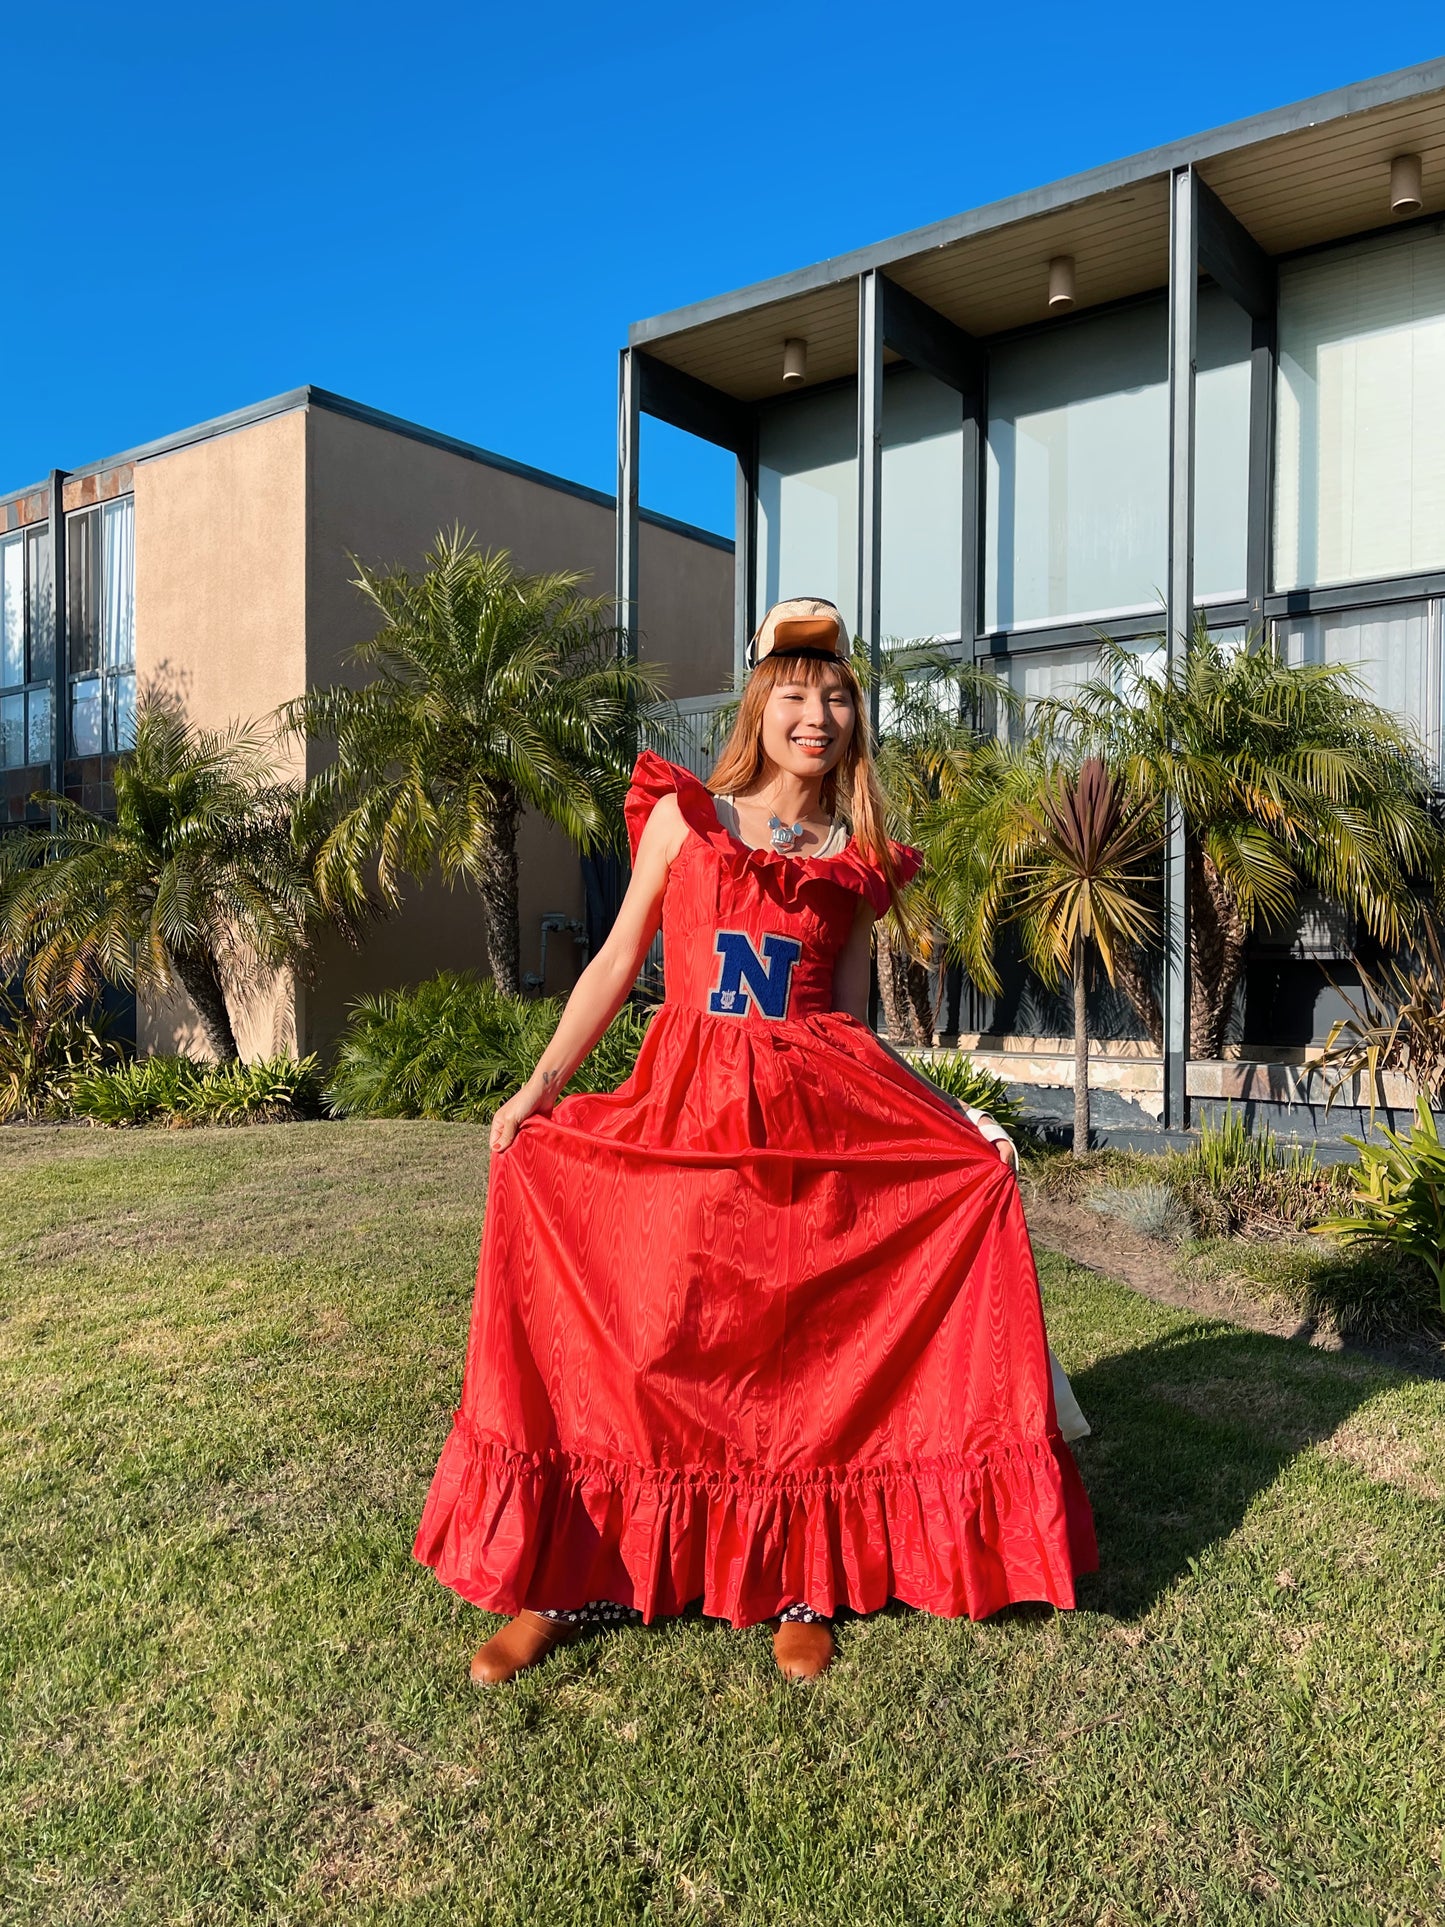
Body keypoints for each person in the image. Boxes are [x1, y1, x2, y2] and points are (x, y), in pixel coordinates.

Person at [413, 596, 1097, 1685]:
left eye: (831, 696)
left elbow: (853, 1026)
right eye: (792, 693)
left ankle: (800, 1574)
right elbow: (612, 962)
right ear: (759, 704)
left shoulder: (856, 859)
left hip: (815, 1119)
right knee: (646, 1337)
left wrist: (955, 1126)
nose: (812, 714)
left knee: (798, 1352)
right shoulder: (688, 818)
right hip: (682, 1111)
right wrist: (540, 1087)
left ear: (851, 719)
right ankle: (569, 1576)